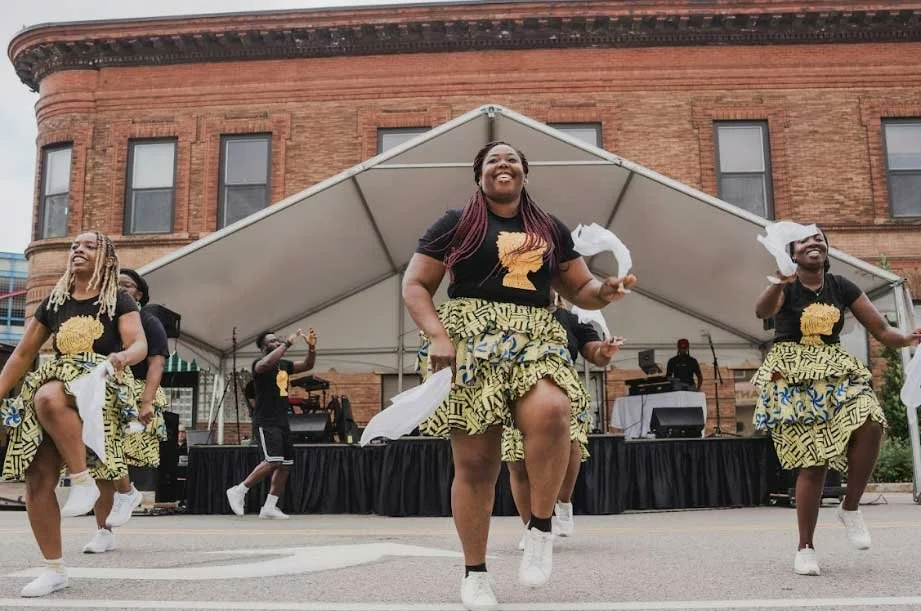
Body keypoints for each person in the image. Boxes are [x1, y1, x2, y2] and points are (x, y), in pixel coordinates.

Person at [403, 141, 635, 611]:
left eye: (511, 160)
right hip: (471, 334)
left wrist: (605, 291)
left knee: (554, 411)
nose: (502, 165)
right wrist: (438, 336)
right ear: (479, 176)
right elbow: (415, 285)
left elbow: (581, 288)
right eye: (493, 161)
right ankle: (475, 573)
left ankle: (541, 526)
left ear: (525, 174)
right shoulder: (456, 223)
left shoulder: (549, 227)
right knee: (477, 464)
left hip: (535, 333)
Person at [753, 228, 920, 577]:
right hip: (794, 376)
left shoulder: (842, 286)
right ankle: (805, 547)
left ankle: (851, 506)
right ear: (793, 254)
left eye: (819, 239)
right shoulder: (786, 286)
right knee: (813, 463)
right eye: (804, 240)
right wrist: (778, 282)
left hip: (835, 368)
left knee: (872, 422)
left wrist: (908, 337)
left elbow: (883, 332)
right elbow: (762, 311)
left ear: (826, 250)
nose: (814, 243)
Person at [0, 231, 146, 597]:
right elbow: (22, 355)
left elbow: (139, 344)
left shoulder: (119, 299)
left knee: (48, 397)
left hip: (99, 384)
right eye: (74, 246)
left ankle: (83, 482)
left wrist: (123, 357)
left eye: (89, 246)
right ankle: (54, 569)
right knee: (37, 478)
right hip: (58, 382)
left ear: (106, 258)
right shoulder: (55, 301)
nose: (78, 250)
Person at [503, 291, 622, 547]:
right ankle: (531, 529)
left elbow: (595, 352)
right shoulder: (509, 315)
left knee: (570, 443)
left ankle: (564, 503)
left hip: (562, 387)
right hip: (517, 386)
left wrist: (605, 350)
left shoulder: (570, 318)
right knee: (516, 460)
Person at [81, 268, 170, 553]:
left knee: (108, 451)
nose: (120, 289)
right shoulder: (101, 321)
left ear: (139, 293)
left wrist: (146, 402)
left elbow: (156, 363)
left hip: (135, 393)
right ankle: (104, 530)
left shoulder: (148, 320)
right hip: (104, 392)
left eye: (127, 285)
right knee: (99, 464)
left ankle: (126, 492)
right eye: (115, 284)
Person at [225, 328, 317, 519]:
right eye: (272, 341)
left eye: (278, 340)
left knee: (285, 464)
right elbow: (266, 363)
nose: (276, 342)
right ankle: (239, 490)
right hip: (265, 420)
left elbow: (308, 365)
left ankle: (269, 507)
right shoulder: (259, 364)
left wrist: (312, 348)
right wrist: (287, 344)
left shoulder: (284, 364)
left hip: (282, 420)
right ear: (263, 347)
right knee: (273, 460)